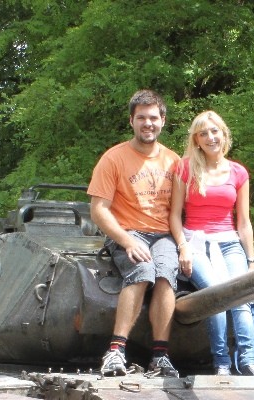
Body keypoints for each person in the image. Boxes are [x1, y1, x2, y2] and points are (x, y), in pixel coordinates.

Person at [88, 89, 182, 378]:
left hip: (164, 235)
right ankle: (116, 351)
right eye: (141, 117)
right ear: (132, 121)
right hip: (128, 230)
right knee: (142, 269)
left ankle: (161, 355)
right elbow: (99, 209)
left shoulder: (174, 161)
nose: (148, 123)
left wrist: (183, 245)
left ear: (163, 121)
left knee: (166, 273)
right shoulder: (113, 158)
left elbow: (178, 212)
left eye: (153, 117)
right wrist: (126, 240)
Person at [168, 111, 254, 376]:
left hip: (229, 242)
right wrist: (182, 246)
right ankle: (221, 360)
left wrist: (251, 259)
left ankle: (249, 360)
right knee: (214, 294)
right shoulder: (185, 168)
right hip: (195, 241)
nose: (210, 137)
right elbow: (174, 215)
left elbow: (244, 222)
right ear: (196, 140)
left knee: (240, 294)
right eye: (203, 133)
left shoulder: (238, 172)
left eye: (215, 131)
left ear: (224, 134)